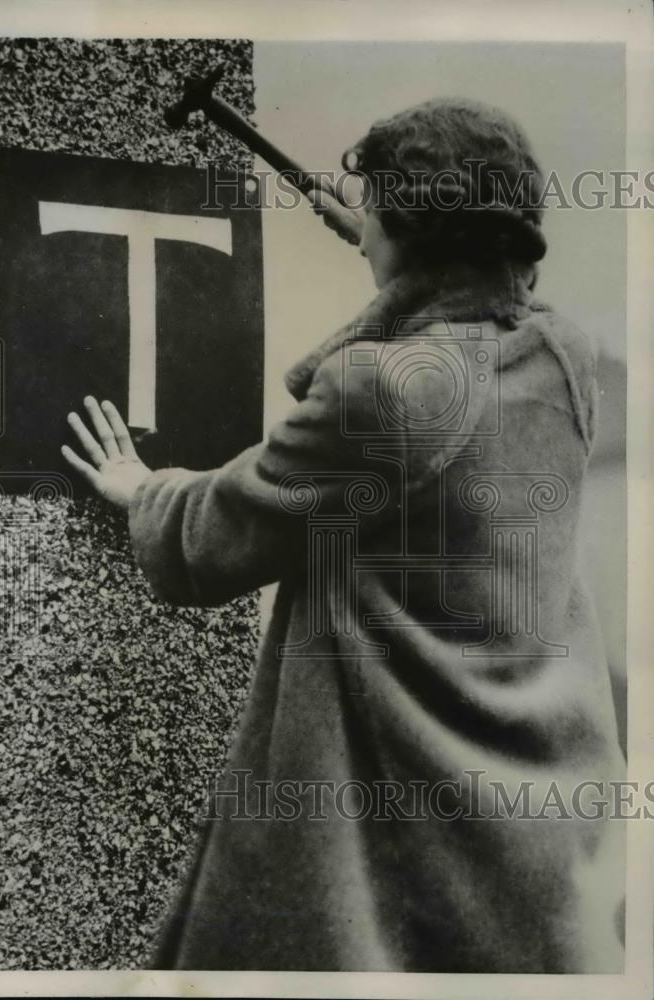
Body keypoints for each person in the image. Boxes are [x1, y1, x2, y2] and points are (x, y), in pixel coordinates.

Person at [62, 98, 626, 972]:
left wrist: (142, 489)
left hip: (400, 846)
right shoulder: (565, 358)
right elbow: (493, 313)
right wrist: (401, 256)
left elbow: (216, 534)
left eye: (371, 209)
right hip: (530, 844)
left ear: (405, 227)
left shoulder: (378, 393)